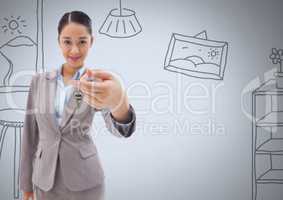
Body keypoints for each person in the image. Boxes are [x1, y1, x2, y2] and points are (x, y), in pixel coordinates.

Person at [20, 10, 136, 200]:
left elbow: (118, 129)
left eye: (82, 41)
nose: (74, 50)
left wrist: (119, 102)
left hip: (85, 180)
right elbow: (29, 136)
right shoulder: (38, 82)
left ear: (91, 41)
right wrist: (25, 184)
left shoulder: (97, 82)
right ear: (59, 41)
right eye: (67, 42)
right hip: (44, 180)